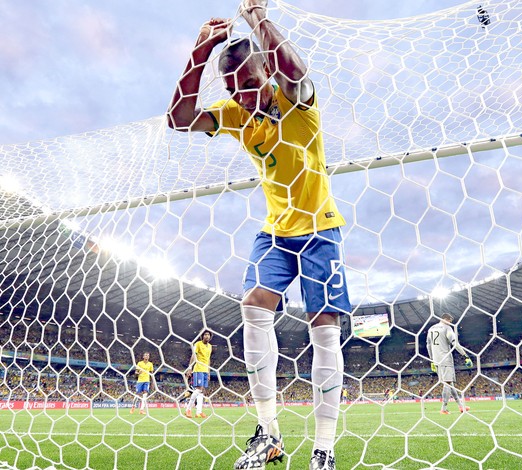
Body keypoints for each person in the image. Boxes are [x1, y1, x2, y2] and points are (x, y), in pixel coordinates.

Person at [168, 1, 350, 469]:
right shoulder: (235, 113)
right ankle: (267, 435)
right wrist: (200, 50)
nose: (243, 96)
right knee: (252, 305)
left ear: (265, 68)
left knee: (324, 326)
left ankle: (324, 449)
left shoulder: (296, 100)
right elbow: (179, 118)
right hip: (274, 231)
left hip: (319, 228)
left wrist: (257, 18)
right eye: (234, 88)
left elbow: (296, 70)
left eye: (248, 84)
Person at [426, 313, 473, 414]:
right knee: (447, 383)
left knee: (449, 384)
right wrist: (465, 356)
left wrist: (432, 360)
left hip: (436, 360)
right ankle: (443, 409)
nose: (450, 323)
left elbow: (428, 346)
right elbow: (455, 343)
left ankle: (461, 406)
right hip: (446, 359)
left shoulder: (431, 329)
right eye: (450, 321)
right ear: (446, 319)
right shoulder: (447, 328)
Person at [185, 330, 212, 419]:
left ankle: (199, 412)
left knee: (201, 391)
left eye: (208, 335)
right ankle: (188, 409)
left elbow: (208, 360)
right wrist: (190, 367)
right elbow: (194, 355)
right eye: (205, 334)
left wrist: (208, 372)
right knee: (199, 389)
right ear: (202, 336)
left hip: (205, 370)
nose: (207, 336)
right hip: (198, 369)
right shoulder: (198, 344)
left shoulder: (210, 347)